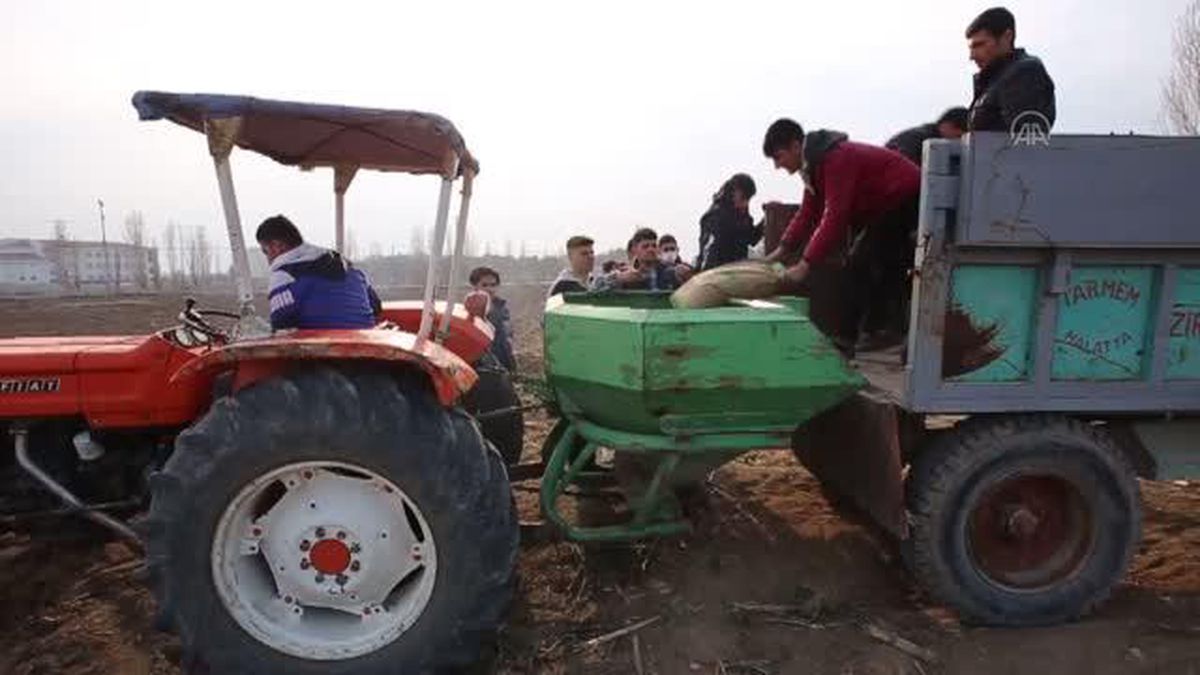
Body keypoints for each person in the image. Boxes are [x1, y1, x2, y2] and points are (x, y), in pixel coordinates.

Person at [762, 119, 920, 353]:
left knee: (862, 262)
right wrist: (780, 251)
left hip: (905, 196)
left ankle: (871, 334)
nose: (778, 165)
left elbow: (835, 215)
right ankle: (860, 335)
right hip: (883, 208)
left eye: (779, 156)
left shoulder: (836, 157)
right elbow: (807, 214)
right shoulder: (813, 169)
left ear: (796, 146)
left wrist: (805, 264)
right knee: (865, 262)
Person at [258, 215, 381, 331]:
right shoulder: (347, 267)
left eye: (265, 251)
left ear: (276, 246)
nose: (268, 260)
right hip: (367, 345)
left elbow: (280, 324)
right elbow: (376, 306)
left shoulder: (284, 275)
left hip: (323, 349)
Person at [965, 7, 1056, 134]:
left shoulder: (1024, 72)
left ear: (1006, 37)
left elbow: (1023, 141)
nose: (972, 56)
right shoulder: (995, 80)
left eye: (979, 45)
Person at [696, 173, 763, 271]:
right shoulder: (715, 216)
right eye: (743, 197)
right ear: (734, 191)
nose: (745, 203)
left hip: (736, 272)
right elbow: (709, 252)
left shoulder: (742, 216)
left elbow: (751, 238)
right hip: (715, 274)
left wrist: (765, 221)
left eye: (748, 199)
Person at [598, 228, 692, 291]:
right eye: (645, 246)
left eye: (654, 246)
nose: (651, 249)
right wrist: (618, 278)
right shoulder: (625, 272)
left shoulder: (671, 271)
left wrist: (687, 277)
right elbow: (595, 286)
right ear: (635, 249)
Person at [469, 266, 517, 371]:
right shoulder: (469, 309)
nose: (489, 289)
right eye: (484, 285)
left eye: (493, 285)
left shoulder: (502, 309)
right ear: (475, 286)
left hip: (501, 364)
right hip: (478, 366)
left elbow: (507, 338)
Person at [885, 107, 969, 166]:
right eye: (958, 136)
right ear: (947, 125)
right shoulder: (922, 141)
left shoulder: (922, 136)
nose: (959, 141)